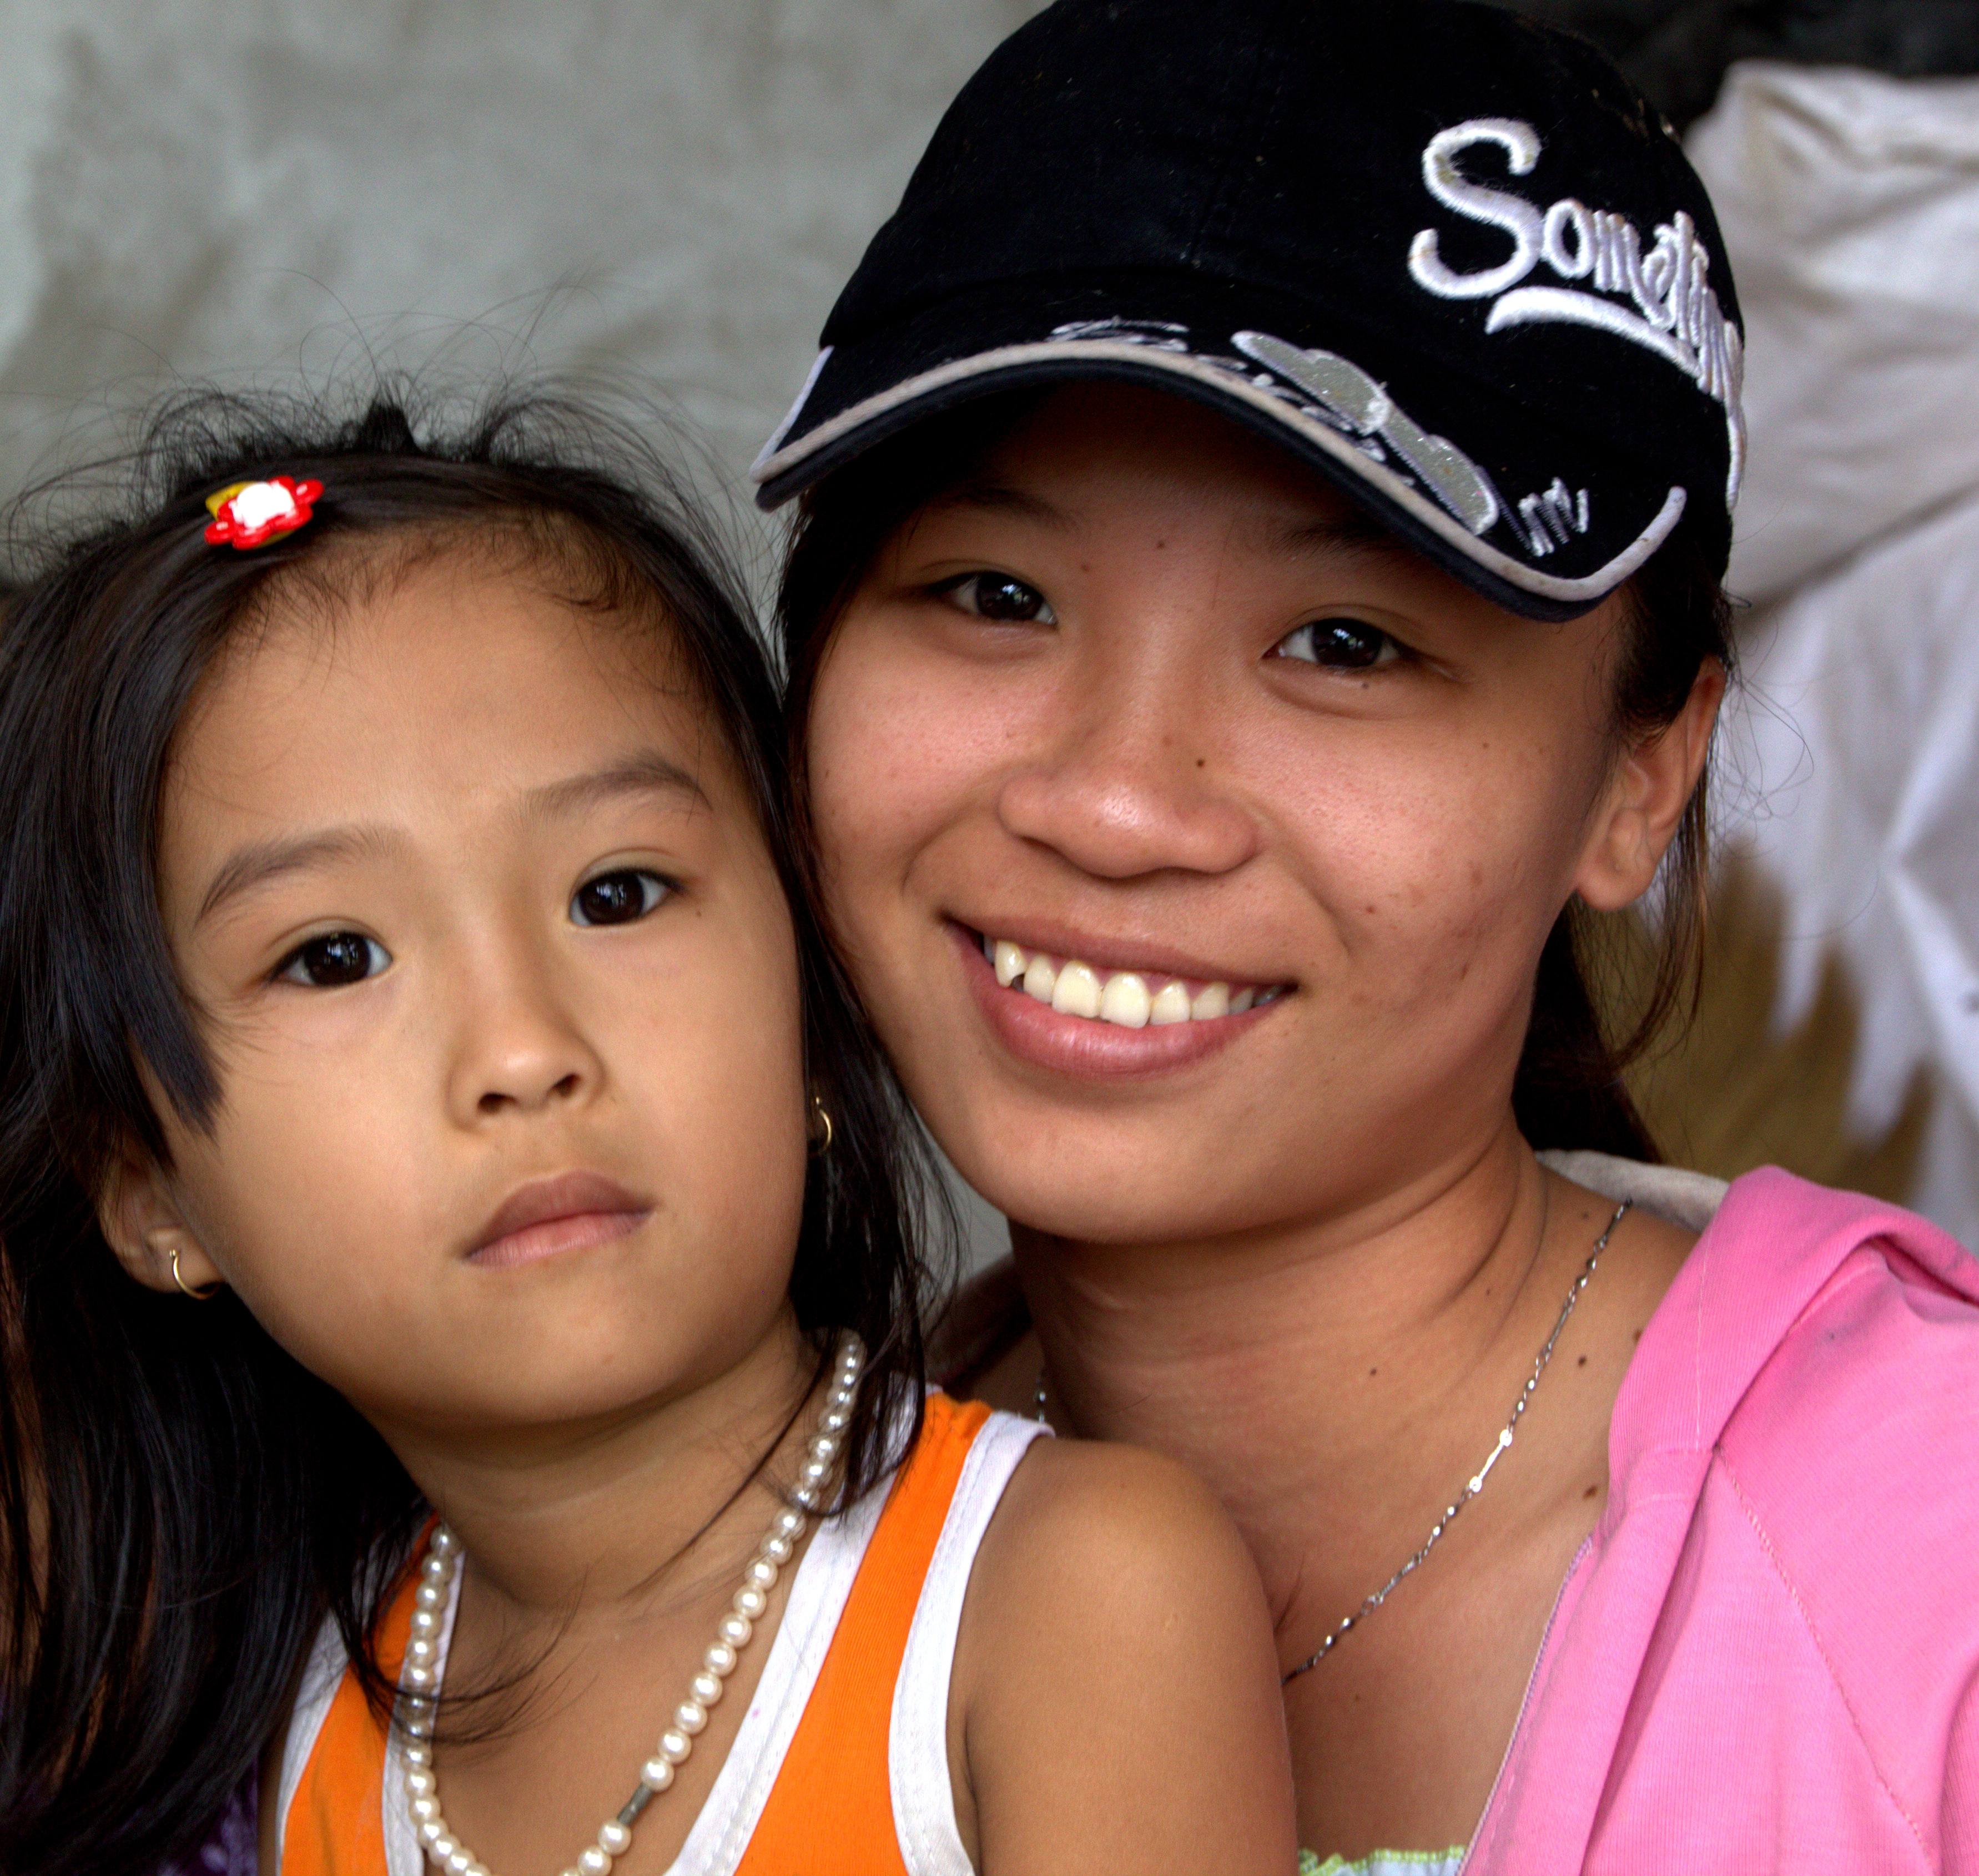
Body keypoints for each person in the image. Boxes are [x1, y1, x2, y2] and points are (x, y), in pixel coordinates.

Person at [756, 1, 1979, 1869]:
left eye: (1346, 642)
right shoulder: (746, 1569)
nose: (1117, 800)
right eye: (994, 594)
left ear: (1643, 778)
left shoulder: (1929, 1564)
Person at [0, 388, 1294, 1876]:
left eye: (615, 894)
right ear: (148, 1188)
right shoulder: (307, 1726)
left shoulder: (1064, 1594)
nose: (524, 1052)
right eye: (335, 956)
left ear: (807, 985)